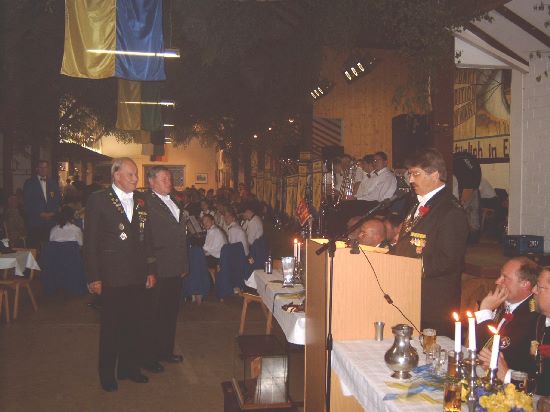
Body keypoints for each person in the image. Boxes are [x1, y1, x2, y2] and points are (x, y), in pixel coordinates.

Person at [84, 157, 157, 392]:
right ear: (116, 175)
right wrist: (94, 277)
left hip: (137, 274)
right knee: (111, 328)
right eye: (130, 174)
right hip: (112, 275)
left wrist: (150, 270)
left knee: (134, 325)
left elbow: (147, 238)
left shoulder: (141, 200)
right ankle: (107, 374)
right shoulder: (99, 200)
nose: (136, 179)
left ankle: (129, 368)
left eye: (136, 174)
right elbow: (90, 241)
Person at [392, 148, 469, 337]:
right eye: (410, 174)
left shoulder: (451, 211)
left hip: (433, 302)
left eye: (416, 174)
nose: (411, 179)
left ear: (434, 175)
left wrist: (408, 269)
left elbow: (448, 260)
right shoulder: (419, 203)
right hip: (411, 292)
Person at [143, 165, 189, 371]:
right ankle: (148, 357)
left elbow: (180, 235)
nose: (169, 182)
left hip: (174, 266)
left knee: (169, 313)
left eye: (169, 179)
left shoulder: (174, 201)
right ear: (151, 182)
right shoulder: (145, 203)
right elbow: (145, 239)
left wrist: (183, 264)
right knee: (152, 314)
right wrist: (148, 269)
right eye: (164, 179)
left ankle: (165, 351)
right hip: (158, 266)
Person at [479, 266, 550, 401]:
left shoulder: (532, 318)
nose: (534, 290)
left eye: (539, 287)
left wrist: (507, 374)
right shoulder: (542, 321)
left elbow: (545, 387)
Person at [475, 258, 540, 374]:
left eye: (505, 277)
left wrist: (485, 311)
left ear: (525, 284)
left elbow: (491, 353)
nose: (497, 281)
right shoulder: (500, 302)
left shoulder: (532, 316)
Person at [23, 160, 61, 248]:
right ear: (37, 169)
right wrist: (40, 214)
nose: (43, 169)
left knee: (49, 248)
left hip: (51, 222)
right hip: (35, 222)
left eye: (45, 167)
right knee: (35, 248)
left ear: (48, 169)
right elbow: (28, 202)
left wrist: (52, 213)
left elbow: (57, 200)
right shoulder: (29, 183)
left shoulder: (53, 183)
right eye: (41, 167)